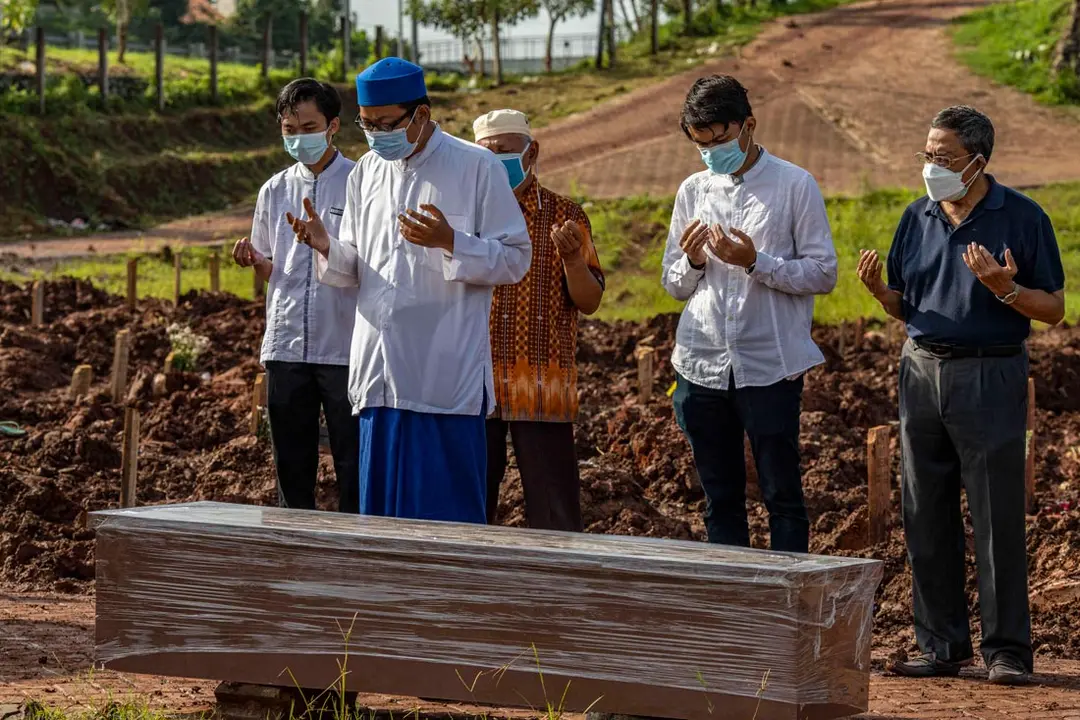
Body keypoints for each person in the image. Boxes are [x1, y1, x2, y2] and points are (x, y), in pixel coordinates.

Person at [858, 106, 1066, 685]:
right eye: (927, 155)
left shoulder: (1022, 218)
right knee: (924, 511)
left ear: (978, 162)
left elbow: (1053, 309)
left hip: (990, 375)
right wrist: (880, 292)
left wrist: (1007, 289)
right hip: (921, 369)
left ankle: (1007, 652)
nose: (932, 167)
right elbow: (907, 301)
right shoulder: (915, 216)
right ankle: (942, 645)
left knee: (996, 516)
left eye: (944, 158)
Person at [285, 58, 532, 524]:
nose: (376, 136)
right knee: (379, 526)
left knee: (444, 525)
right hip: (379, 377)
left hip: (442, 379)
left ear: (420, 115)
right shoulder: (367, 173)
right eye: (367, 124)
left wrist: (450, 242)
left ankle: (452, 598)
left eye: (386, 124)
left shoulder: (474, 167)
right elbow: (358, 265)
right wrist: (325, 245)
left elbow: (515, 258)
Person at [661, 74, 837, 554]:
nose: (712, 151)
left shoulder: (793, 185)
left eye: (720, 139)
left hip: (769, 365)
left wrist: (757, 263)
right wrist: (694, 261)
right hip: (702, 363)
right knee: (720, 498)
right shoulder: (692, 191)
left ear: (748, 125)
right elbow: (673, 283)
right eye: (701, 144)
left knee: (782, 494)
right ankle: (732, 604)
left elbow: (823, 273)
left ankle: (787, 600)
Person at [472, 109, 605, 531]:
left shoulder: (566, 216)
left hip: (542, 385)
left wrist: (571, 259)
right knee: (472, 510)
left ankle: (561, 590)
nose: (497, 164)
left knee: (555, 515)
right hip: (475, 385)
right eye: (487, 156)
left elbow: (590, 301)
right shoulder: (463, 218)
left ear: (532, 152)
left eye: (506, 153)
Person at [232, 78, 360, 514]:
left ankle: (356, 547)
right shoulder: (274, 189)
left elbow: (369, 265)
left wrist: (325, 245)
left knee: (353, 459)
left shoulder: (360, 183)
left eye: (308, 126)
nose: (298, 137)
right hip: (286, 343)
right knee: (290, 460)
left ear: (333, 125)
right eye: (289, 128)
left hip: (344, 344)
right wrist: (254, 260)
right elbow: (274, 268)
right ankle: (294, 546)